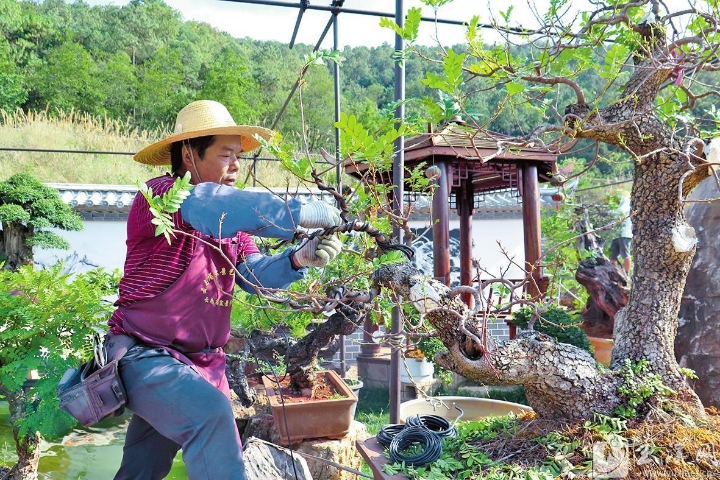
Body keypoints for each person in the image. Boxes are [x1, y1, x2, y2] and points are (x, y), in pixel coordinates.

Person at [106, 100, 344, 480]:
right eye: (225, 154)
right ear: (188, 154)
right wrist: (299, 211)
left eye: (240, 156)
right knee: (211, 418)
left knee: (143, 467)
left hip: (200, 364)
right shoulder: (161, 197)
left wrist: (298, 259)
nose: (236, 165)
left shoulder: (233, 222)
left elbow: (254, 275)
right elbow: (208, 206)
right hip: (146, 356)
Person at [609, 195, 632, 273]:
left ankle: (626, 273)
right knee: (613, 254)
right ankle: (612, 272)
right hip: (616, 234)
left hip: (624, 233)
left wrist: (609, 212)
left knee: (625, 254)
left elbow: (621, 211)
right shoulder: (618, 205)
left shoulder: (626, 201)